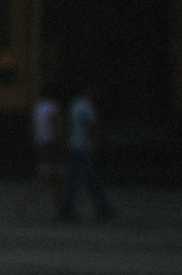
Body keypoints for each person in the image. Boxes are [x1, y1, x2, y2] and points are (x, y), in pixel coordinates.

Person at [59, 84, 114, 222]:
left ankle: (103, 208)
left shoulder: (74, 104)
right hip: (84, 146)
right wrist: (102, 141)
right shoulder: (87, 106)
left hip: (75, 144)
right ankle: (67, 208)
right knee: (80, 179)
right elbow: (93, 125)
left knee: (88, 179)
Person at [21, 91, 65, 215]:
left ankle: (58, 205)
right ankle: (58, 205)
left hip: (41, 143)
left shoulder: (38, 106)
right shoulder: (52, 107)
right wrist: (62, 143)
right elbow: (57, 126)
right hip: (52, 144)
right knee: (54, 176)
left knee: (52, 176)